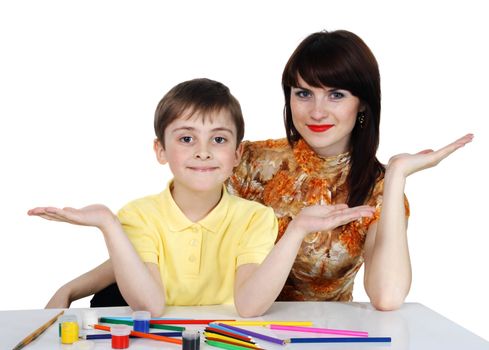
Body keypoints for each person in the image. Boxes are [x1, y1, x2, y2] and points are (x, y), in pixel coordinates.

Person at [36, 30, 472, 312]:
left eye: (336, 94)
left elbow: (389, 297)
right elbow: (165, 237)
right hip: (222, 318)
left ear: (362, 105)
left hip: (308, 330)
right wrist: (74, 287)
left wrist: (395, 176)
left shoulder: (377, 191)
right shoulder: (246, 159)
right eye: (303, 92)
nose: (317, 110)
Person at [28, 78, 375, 316]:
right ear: (160, 150)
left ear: (238, 155)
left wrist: (297, 230)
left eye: (219, 140)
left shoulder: (255, 218)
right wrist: (108, 223)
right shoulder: (139, 215)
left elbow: (250, 306)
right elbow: (150, 306)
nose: (204, 152)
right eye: (186, 139)